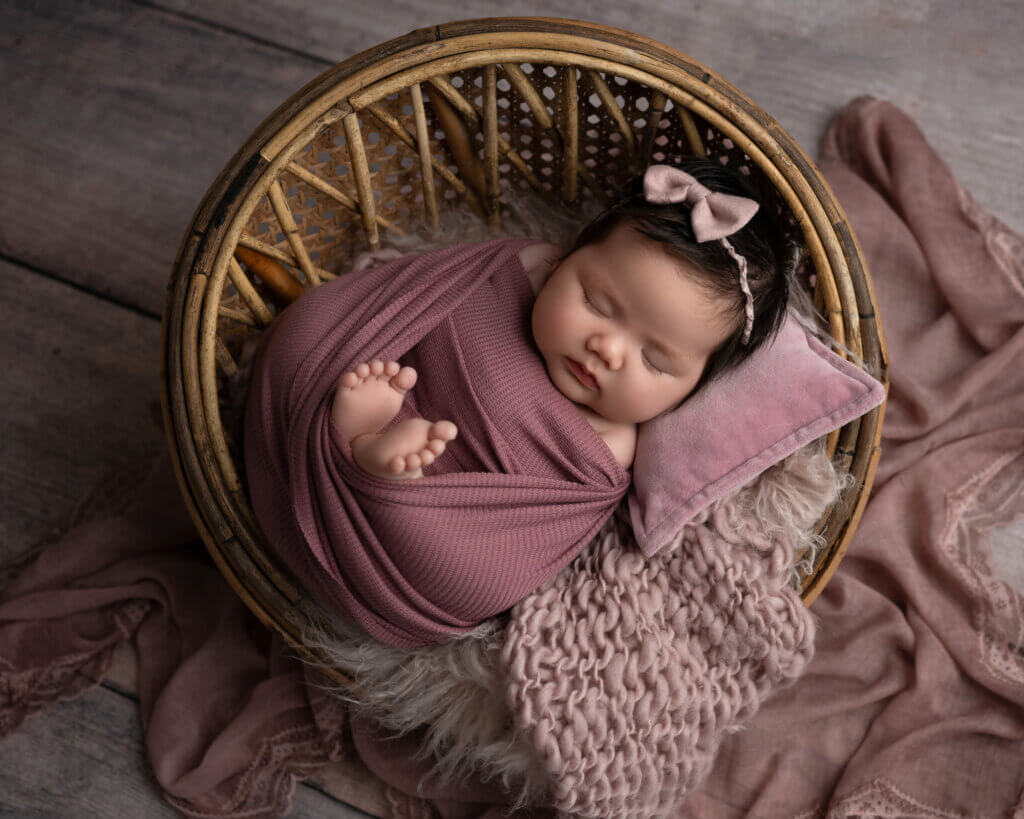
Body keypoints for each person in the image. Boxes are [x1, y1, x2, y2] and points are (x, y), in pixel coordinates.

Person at [331, 158, 790, 478]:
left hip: (448, 505)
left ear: (697, 385)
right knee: (351, 360)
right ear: (566, 258)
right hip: (403, 385)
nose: (606, 350)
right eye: (595, 302)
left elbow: (525, 531)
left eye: (654, 360)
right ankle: (361, 435)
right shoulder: (528, 269)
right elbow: (417, 298)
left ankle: (386, 471)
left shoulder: (609, 447)